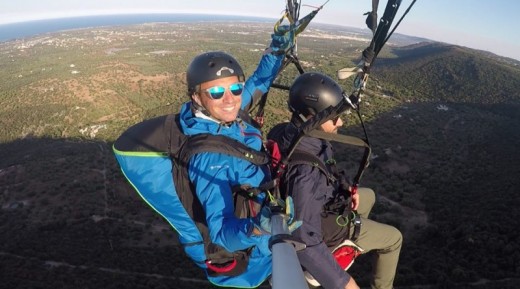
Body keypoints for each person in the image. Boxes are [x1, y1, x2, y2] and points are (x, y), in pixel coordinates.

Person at [113, 27, 299, 288]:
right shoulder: (209, 158)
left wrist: (275, 52)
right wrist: (259, 227)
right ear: (196, 97)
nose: (230, 99)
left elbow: (257, 83)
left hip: (262, 223)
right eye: (215, 93)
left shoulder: (224, 116)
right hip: (249, 259)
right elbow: (222, 234)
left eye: (235, 88)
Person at [270, 72, 403, 289]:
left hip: (319, 204)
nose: (340, 122)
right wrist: (343, 283)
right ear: (314, 117)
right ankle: (327, 261)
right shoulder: (305, 172)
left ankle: (345, 249)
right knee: (394, 239)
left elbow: (324, 169)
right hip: (320, 224)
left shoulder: (290, 133)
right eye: (334, 117)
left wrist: (345, 187)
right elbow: (303, 237)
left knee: (368, 196)